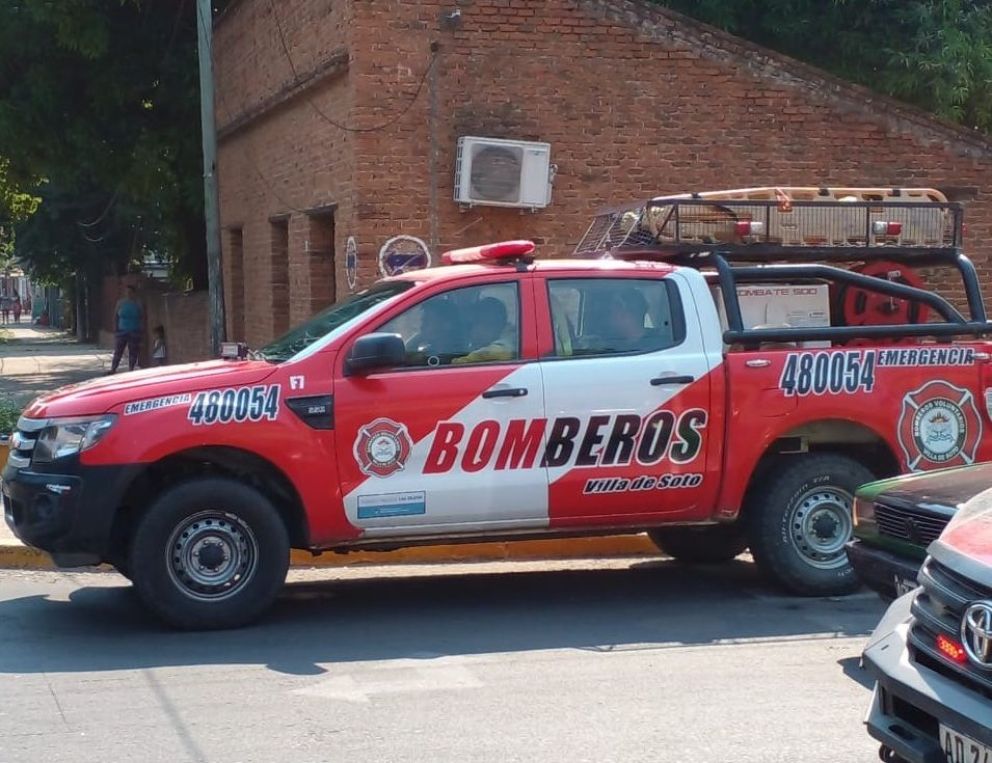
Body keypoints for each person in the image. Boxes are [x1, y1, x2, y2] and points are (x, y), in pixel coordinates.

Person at [452, 297, 516, 364]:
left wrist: (455, 363)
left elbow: (497, 352)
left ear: (499, 324)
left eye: (478, 322)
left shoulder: (504, 345)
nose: (474, 329)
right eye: (472, 324)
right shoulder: (477, 345)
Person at [109, 284, 143, 373]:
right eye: (127, 292)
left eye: (130, 292)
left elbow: (142, 316)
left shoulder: (138, 303)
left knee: (133, 351)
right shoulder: (120, 302)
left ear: (134, 293)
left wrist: (141, 329)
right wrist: (115, 328)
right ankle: (113, 368)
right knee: (118, 351)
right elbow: (115, 316)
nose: (128, 294)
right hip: (122, 330)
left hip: (134, 330)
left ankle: (131, 369)